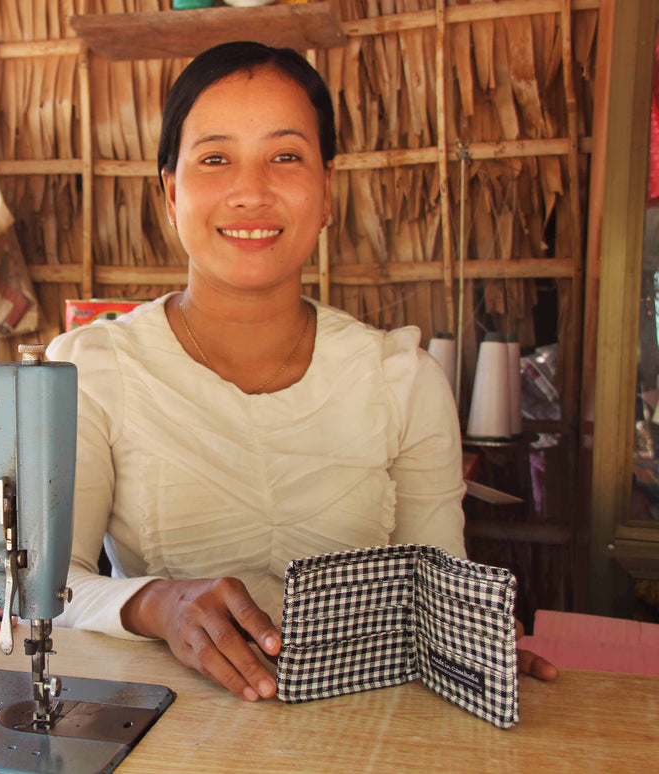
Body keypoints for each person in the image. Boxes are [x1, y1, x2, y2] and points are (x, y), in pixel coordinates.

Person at [46, 41, 556, 702]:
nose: (250, 191)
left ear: (327, 192)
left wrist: (466, 637)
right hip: (169, 736)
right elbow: (49, 587)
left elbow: (438, 581)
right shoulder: (96, 371)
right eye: (215, 159)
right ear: (171, 194)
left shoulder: (400, 380)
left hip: (369, 730)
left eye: (285, 156)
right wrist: (157, 605)